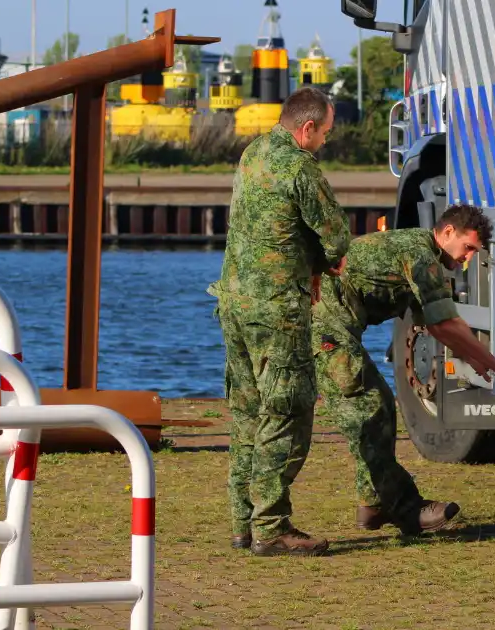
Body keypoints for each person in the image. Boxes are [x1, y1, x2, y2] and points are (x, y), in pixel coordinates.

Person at [311, 204, 495, 535]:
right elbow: (446, 324)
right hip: (321, 325)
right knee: (371, 407)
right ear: (446, 233)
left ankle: (373, 505)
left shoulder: (420, 253)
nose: (468, 260)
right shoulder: (421, 256)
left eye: (475, 252)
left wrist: (478, 360)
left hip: (330, 325)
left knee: (377, 409)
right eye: (467, 248)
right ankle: (404, 508)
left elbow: (437, 326)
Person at [208, 86, 350, 557]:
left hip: (233, 303)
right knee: (288, 411)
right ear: (306, 128)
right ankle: (271, 526)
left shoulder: (253, 153)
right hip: (276, 310)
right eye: (325, 133)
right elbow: (335, 238)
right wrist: (321, 265)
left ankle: (241, 523)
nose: (325, 142)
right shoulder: (300, 167)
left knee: (247, 412)